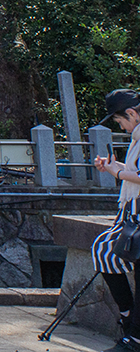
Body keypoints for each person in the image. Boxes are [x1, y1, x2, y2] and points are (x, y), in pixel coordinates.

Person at [92, 88, 140, 351]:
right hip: (133, 212)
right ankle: (130, 322)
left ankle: (131, 326)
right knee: (104, 250)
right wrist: (116, 167)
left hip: (137, 214)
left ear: (131, 113)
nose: (120, 124)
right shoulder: (137, 137)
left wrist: (118, 173)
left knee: (105, 249)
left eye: (120, 120)